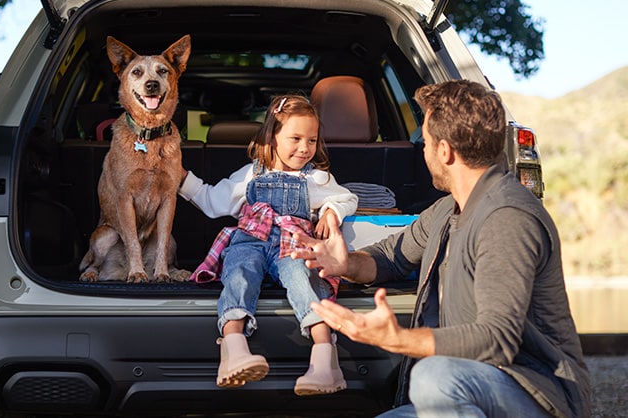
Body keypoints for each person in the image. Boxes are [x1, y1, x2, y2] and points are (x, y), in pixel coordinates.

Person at [291, 80, 592, 417]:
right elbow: (391, 256)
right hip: (475, 386)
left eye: (426, 141)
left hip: (534, 393)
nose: (423, 149)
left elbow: (497, 339)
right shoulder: (447, 209)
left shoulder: (506, 218)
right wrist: (346, 263)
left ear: (445, 151)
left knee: (434, 375)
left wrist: (397, 339)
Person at [178, 94, 358, 395]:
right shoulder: (250, 173)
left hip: (292, 243)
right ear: (272, 136)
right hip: (250, 240)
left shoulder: (316, 178)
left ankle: (326, 361)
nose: (305, 148)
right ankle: (234, 350)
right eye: (295, 138)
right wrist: (180, 178)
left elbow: (348, 197)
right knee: (238, 273)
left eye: (312, 140)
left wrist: (331, 210)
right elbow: (211, 200)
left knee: (304, 279)